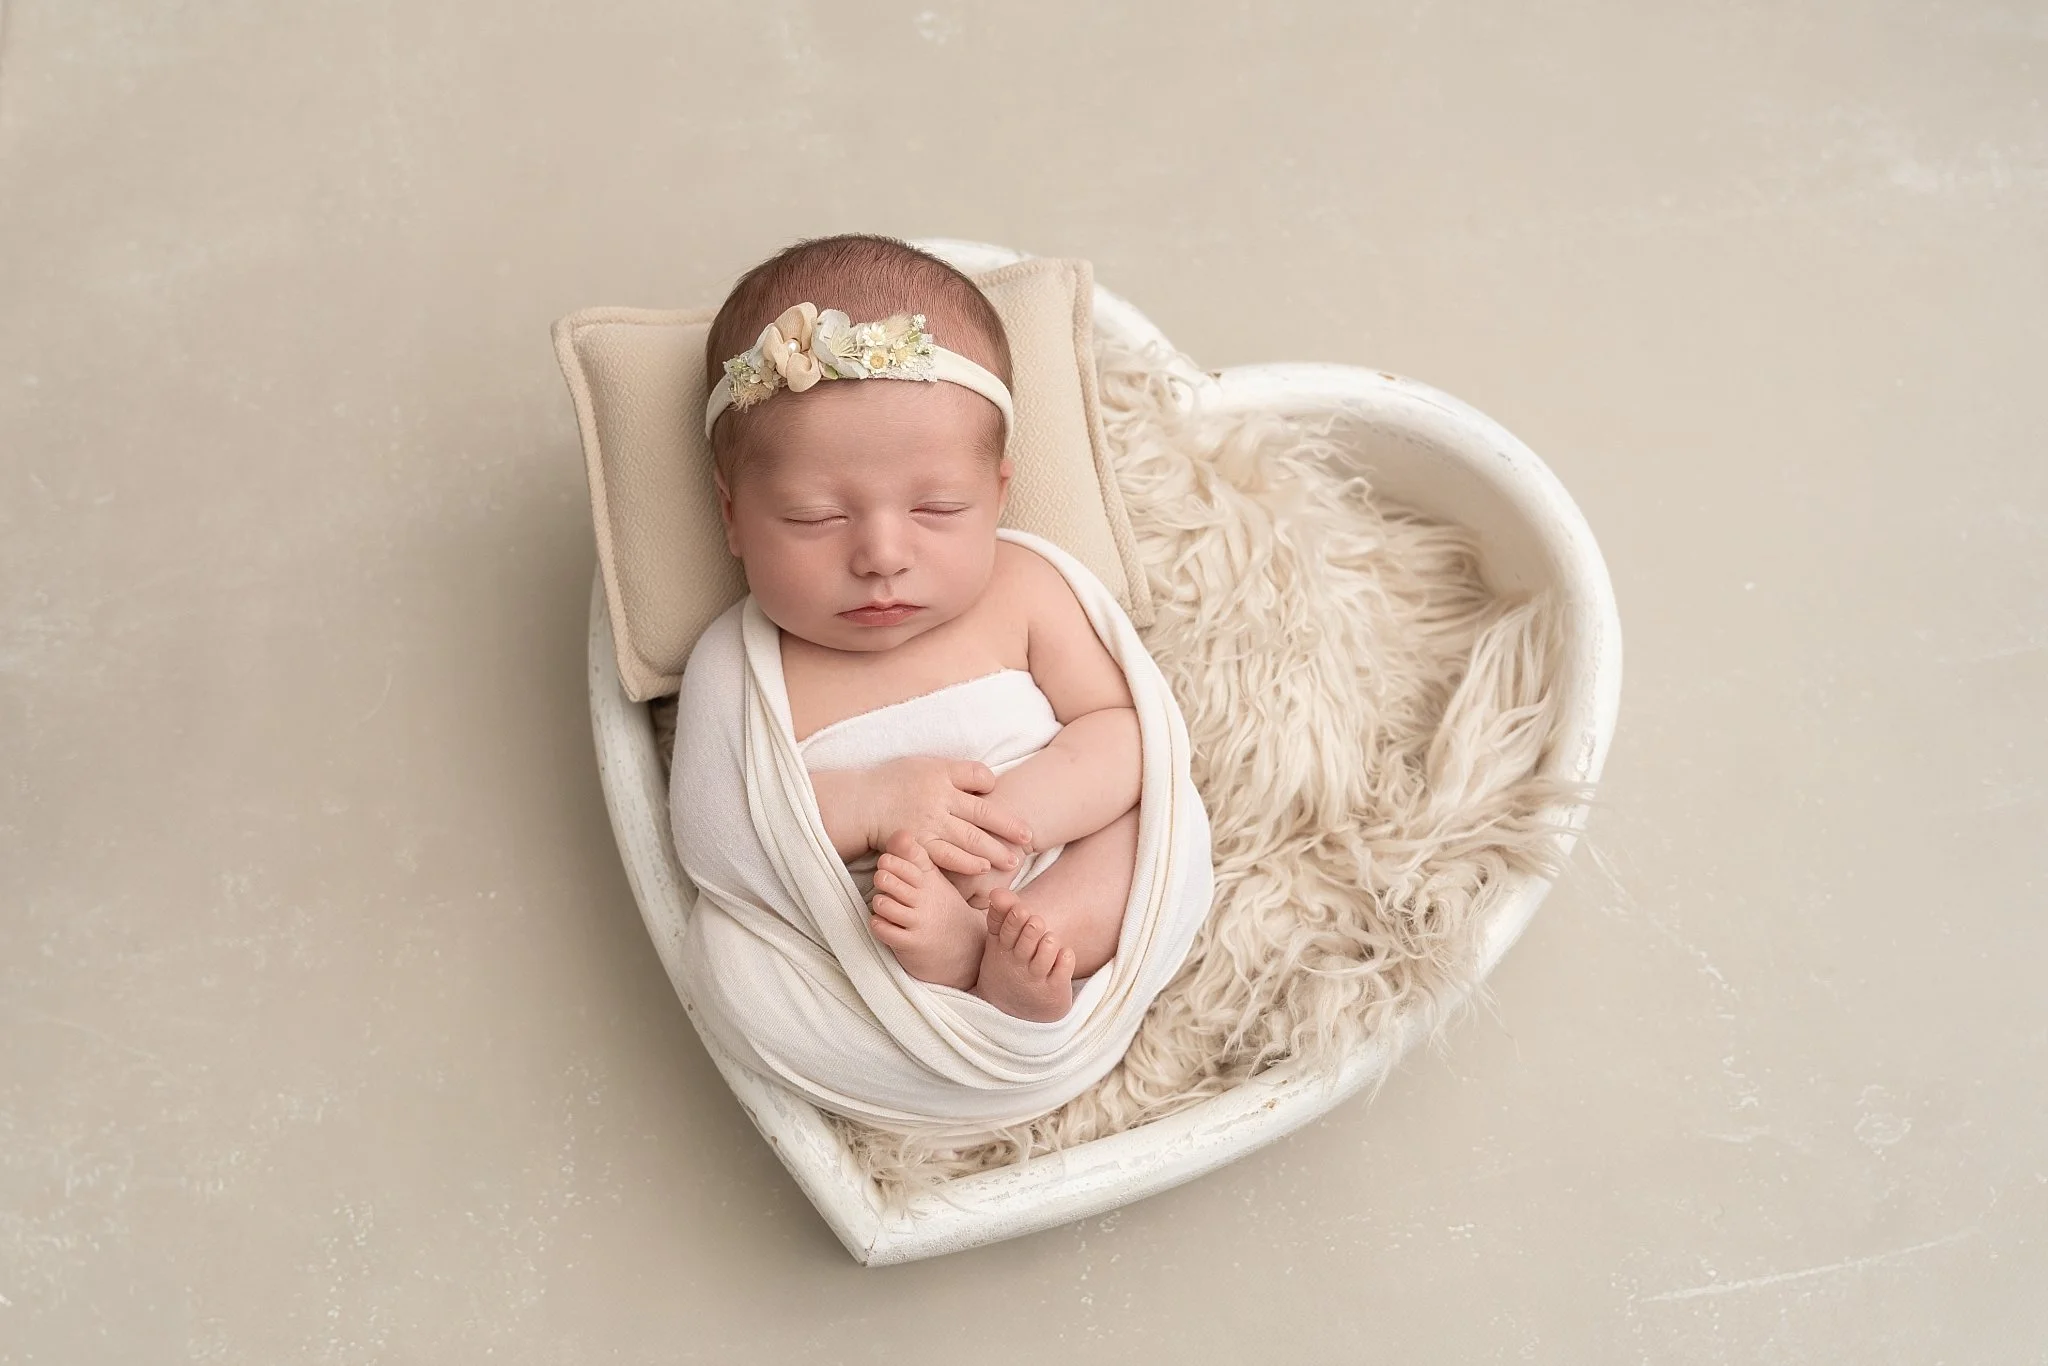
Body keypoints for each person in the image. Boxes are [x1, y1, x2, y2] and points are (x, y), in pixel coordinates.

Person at [695, 233, 1143, 1022]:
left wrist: (1007, 820)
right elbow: (717, 836)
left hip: (1040, 863)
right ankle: (951, 963)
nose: (881, 556)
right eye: (814, 517)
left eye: (937, 510)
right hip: (877, 934)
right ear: (734, 516)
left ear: (999, 494)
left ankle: (1025, 952)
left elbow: (1120, 731)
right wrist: (868, 803)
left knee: (1139, 834)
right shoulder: (741, 661)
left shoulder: (1026, 588)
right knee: (746, 961)